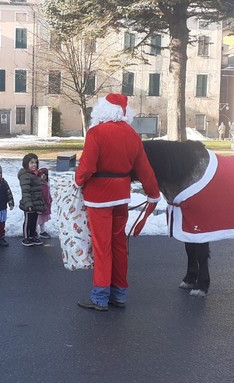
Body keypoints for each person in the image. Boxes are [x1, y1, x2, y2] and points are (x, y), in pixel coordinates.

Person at [75, 93, 160, 311]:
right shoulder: (132, 134)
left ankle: (100, 296)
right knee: (119, 245)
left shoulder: (96, 133)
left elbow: (87, 167)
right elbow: (144, 168)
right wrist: (153, 193)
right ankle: (119, 293)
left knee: (102, 248)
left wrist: (77, 181)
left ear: (103, 110)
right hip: (121, 195)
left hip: (98, 197)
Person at [18, 153, 45, 247]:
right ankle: (26, 237)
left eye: (35, 163)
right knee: (28, 221)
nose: (34, 165)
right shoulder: (25, 176)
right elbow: (25, 191)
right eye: (31, 163)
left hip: (36, 202)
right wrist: (28, 204)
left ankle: (33, 236)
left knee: (34, 221)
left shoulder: (36, 175)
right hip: (28, 203)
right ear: (26, 164)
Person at [37, 167, 52, 239]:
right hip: (40, 204)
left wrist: (50, 200)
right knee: (38, 219)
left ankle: (42, 231)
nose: (44, 176)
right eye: (42, 175)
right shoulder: (39, 185)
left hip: (45, 204)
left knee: (42, 219)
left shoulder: (46, 184)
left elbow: (48, 194)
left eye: (45, 175)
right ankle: (35, 231)